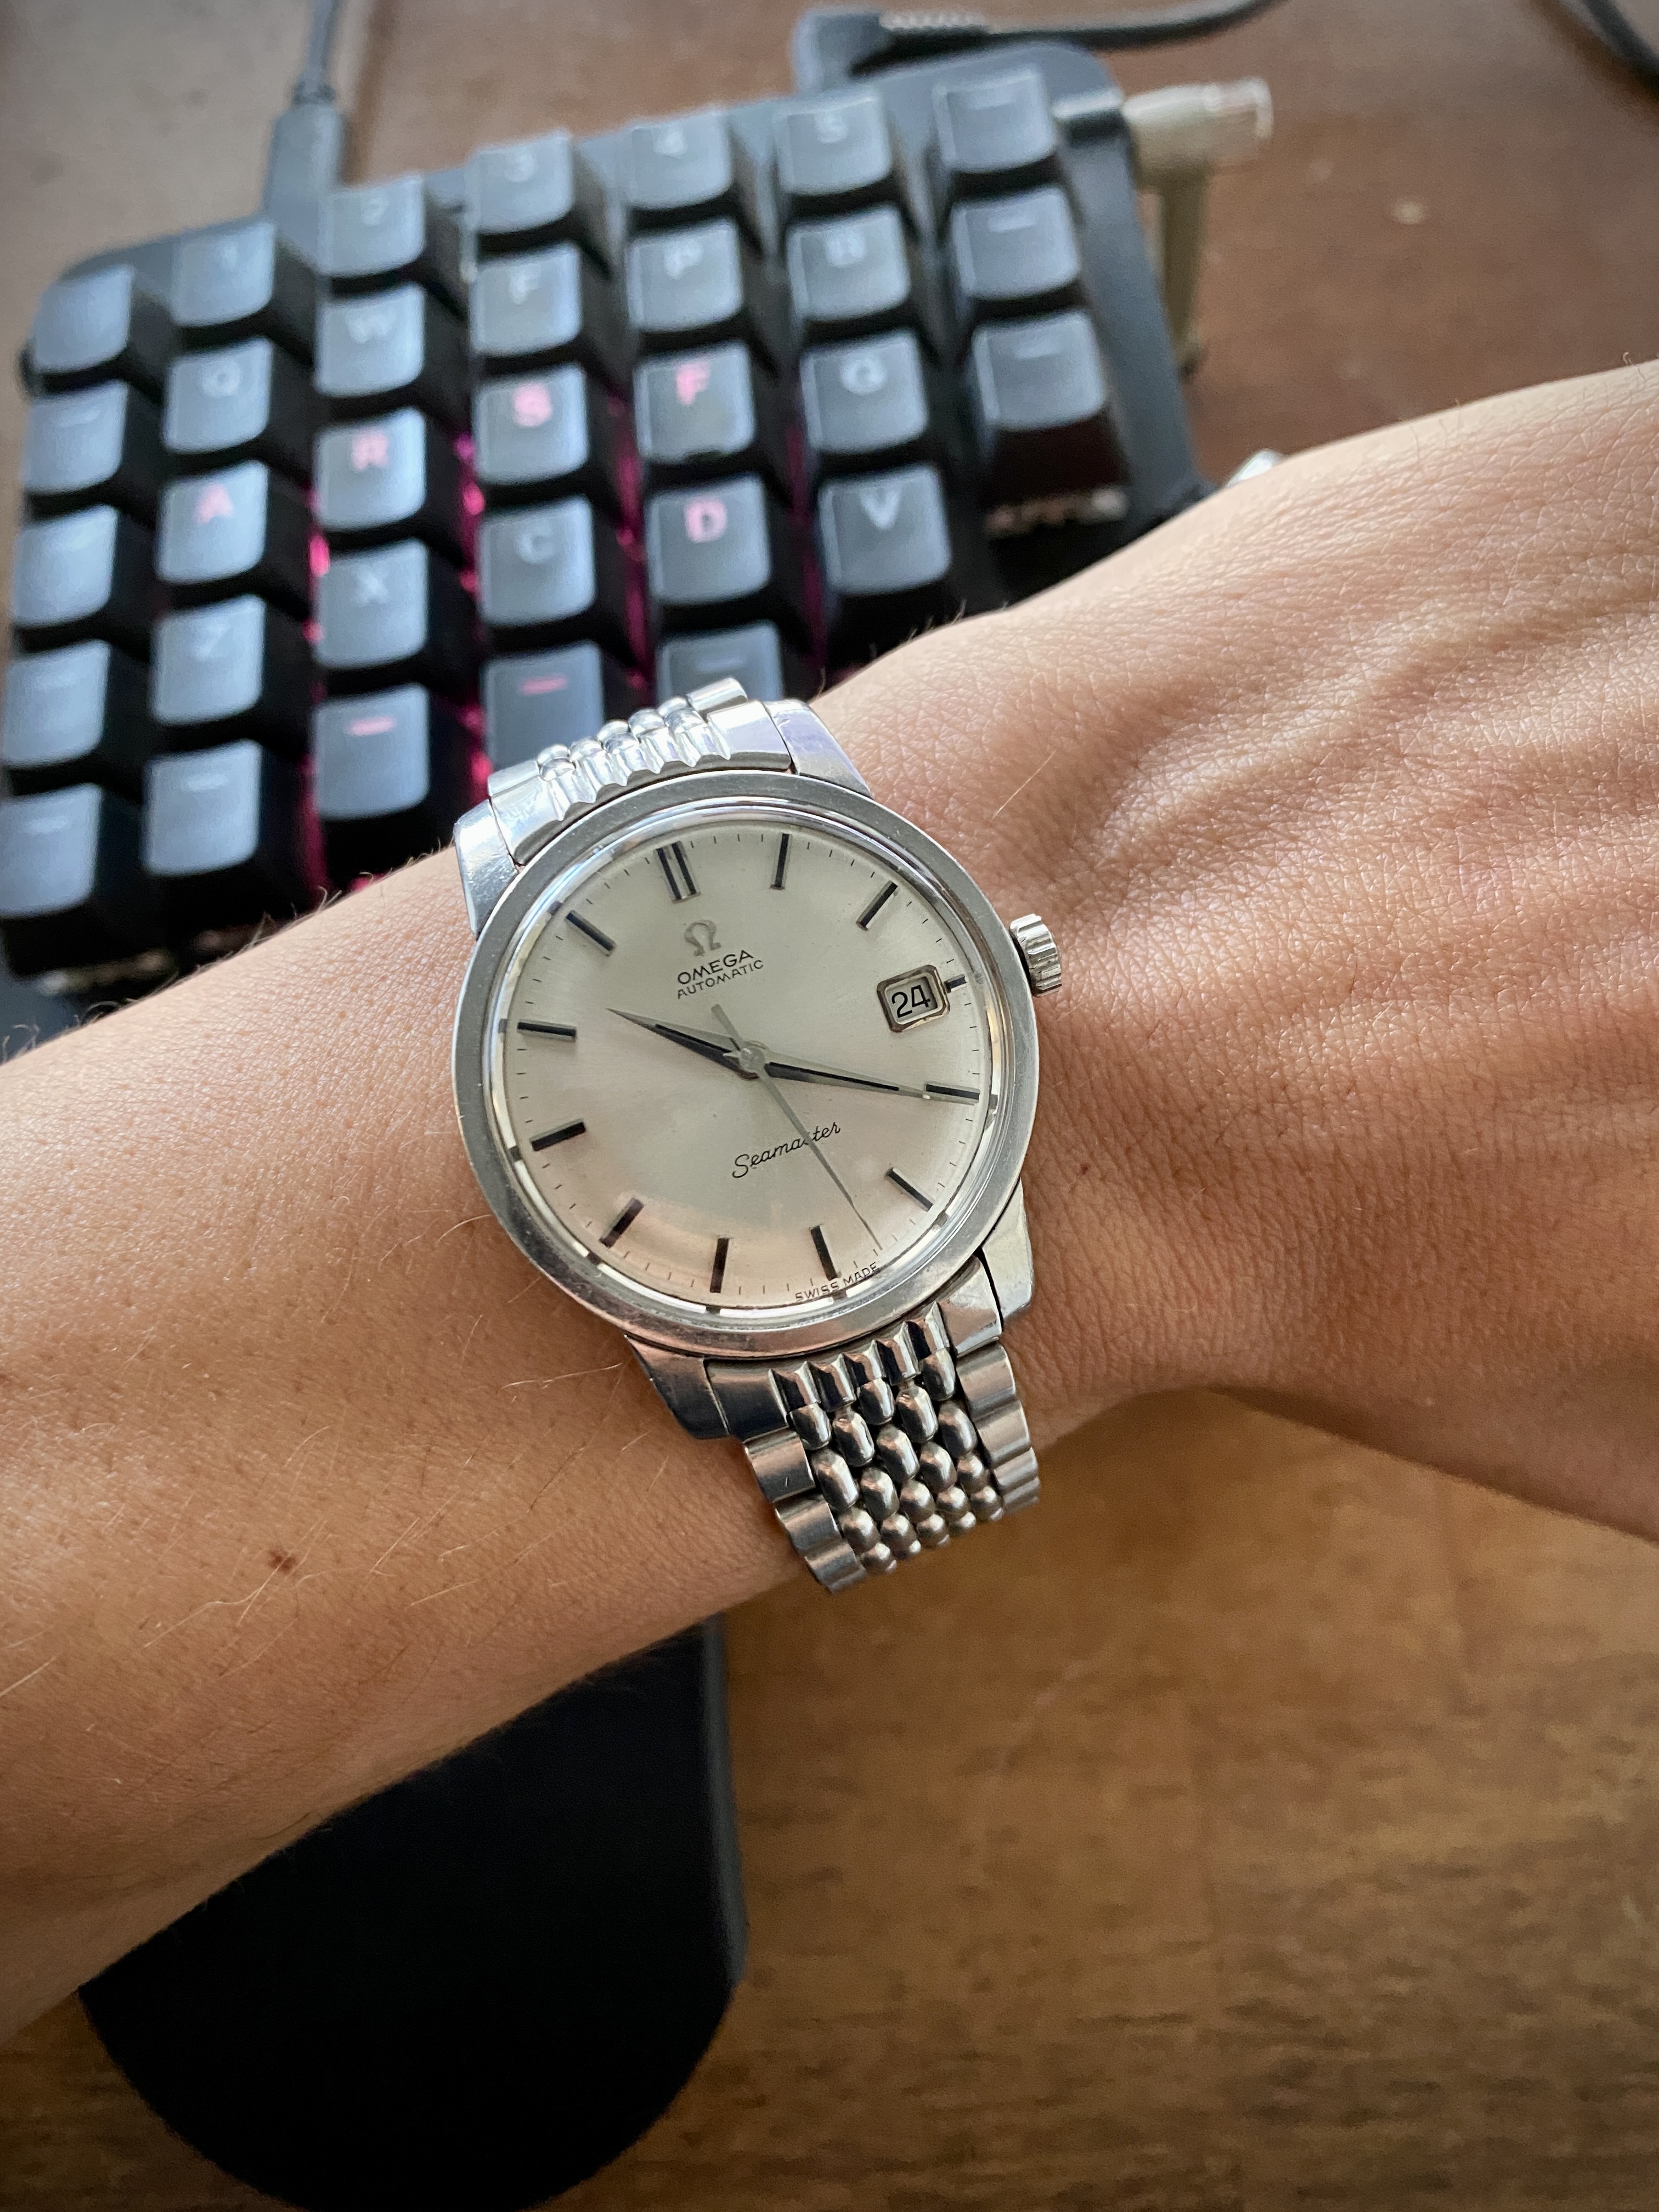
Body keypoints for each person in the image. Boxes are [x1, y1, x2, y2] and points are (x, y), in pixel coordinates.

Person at [4, 360, 1658, 2038]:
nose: (746, 1065)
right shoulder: (621, 1207)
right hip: (739, 1265)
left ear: (1015, 959)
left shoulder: (942, 992)